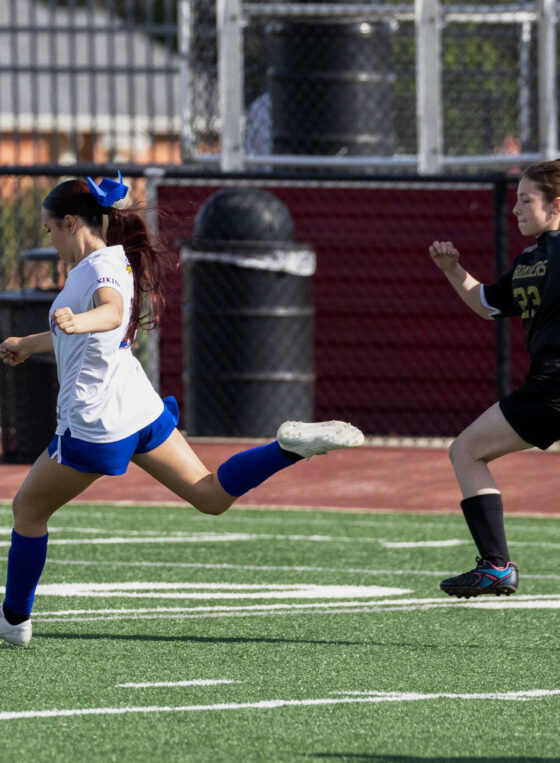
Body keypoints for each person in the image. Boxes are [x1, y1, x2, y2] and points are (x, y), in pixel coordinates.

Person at [0, 173, 364, 646]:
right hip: (138, 407)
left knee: (28, 509)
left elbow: (108, 313)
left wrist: (79, 319)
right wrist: (30, 344)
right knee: (209, 496)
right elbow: (91, 331)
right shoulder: (113, 259)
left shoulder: (96, 270)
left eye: (50, 230)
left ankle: (12, 620)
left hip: (97, 423)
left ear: (72, 222)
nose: (49, 241)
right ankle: (288, 448)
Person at [429, 158, 560, 599]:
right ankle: (494, 567)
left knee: (466, 450)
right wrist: (451, 269)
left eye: (526, 200)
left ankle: (496, 566)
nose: (515, 209)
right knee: (467, 449)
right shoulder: (531, 259)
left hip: (552, 389)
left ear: (556, 205)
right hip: (546, 389)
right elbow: (487, 303)